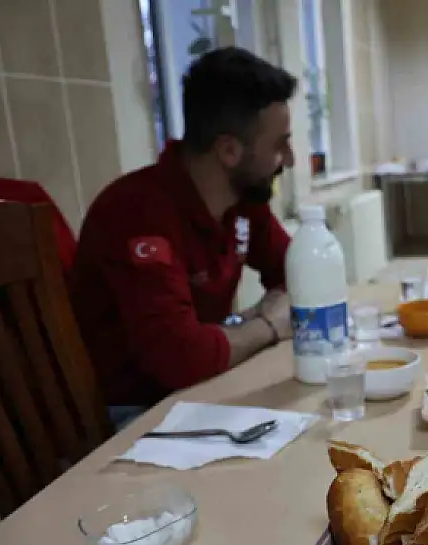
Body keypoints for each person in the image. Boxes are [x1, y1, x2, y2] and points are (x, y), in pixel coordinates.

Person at [70, 48, 298, 428]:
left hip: (199, 392)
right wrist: (267, 326)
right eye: (279, 144)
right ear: (228, 150)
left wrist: (236, 332)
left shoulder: (243, 200)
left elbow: (301, 275)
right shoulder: (136, 212)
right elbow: (181, 357)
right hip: (129, 415)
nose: (289, 159)